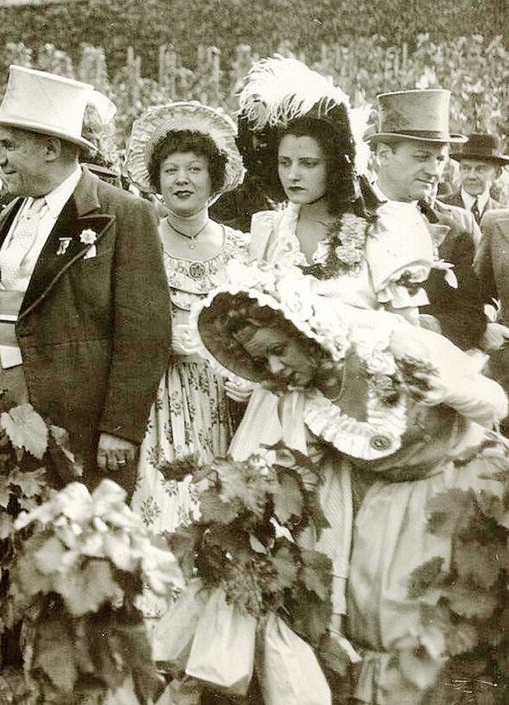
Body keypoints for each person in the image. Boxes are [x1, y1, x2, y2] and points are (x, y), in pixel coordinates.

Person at [193, 261, 508, 703]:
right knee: (383, 621)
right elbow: (317, 487)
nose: (275, 367)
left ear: (305, 330)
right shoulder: (301, 402)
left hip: (464, 487)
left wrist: (447, 393)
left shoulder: (388, 343)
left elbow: (496, 404)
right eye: (262, 360)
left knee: (462, 623)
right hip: (383, 506)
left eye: (279, 349)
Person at [0, 66, 172, 492]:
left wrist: (121, 426)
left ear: (50, 148)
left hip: (68, 420)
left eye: (9, 145)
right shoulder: (8, 213)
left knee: (62, 542)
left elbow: (146, 332)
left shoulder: (121, 214)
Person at [229, 58, 438, 459]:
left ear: (335, 166)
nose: (294, 175)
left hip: (356, 411)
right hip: (277, 413)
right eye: (285, 163)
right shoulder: (269, 231)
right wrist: (251, 377)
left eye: (308, 163)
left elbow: (411, 338)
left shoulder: (381, 229)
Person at [122, 101, 250, 535]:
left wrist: (248, 377)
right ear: (156, 181)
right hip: (160, 399)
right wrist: (161, 338)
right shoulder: (139, 244)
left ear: (213, 177)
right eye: (171, 170)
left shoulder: (243, 249)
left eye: (194, 169)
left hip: (227, 400)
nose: (182, 179)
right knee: (165, 516)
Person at [367, 89, 487, 350]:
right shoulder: (346, 217)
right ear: (384, 155)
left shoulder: (453, 233)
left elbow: (472, 319)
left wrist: (416, 327)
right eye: (421, 157)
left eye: (440, 159)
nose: (434, 170)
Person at [441, 132, 508, 223]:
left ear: (497, 174)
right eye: (466, 168)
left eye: (480, 169)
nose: (471, 176)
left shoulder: (503, 217)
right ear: (459, 169)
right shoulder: (440, 207)